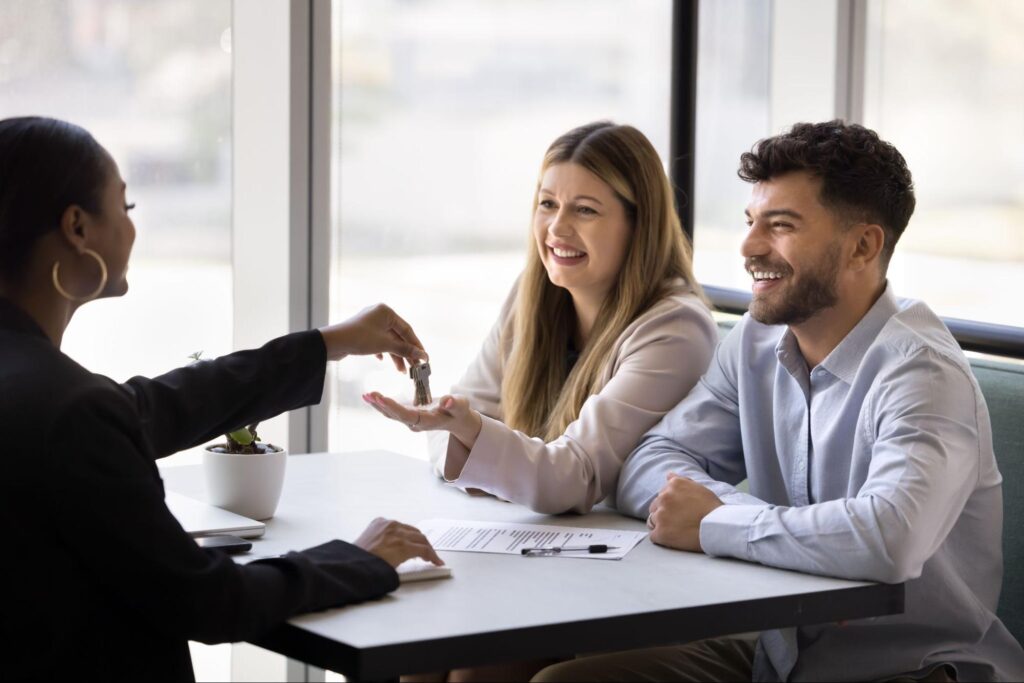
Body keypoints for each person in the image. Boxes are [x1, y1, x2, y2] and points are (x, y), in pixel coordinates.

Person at [532, 120, 1024, 682]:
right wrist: (735, 518)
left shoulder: (921, 370)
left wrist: (715, 523)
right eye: (750, 222)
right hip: (780, 656)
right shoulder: (755, 341)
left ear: (863, 245)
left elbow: (890, 539)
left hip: (910, 670)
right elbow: (646, 463)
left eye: (781, 226)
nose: (748, 247)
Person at [0, 116, 444, 682]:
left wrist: (328, 345)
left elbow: (150, 408)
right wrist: (357, 558)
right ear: (77, 228)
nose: (134, 228)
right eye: (126, 207)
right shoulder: (71, 410)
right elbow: (209, 600)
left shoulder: (43, 391)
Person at [364, 121, 717, 516]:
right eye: (548, 204)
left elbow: (573, 478)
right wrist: (457, 428)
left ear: (639, 226)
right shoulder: (532, 295)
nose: (557, 228)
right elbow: (459, 423)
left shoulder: (676, 330)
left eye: (585, 210)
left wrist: (469, 433)